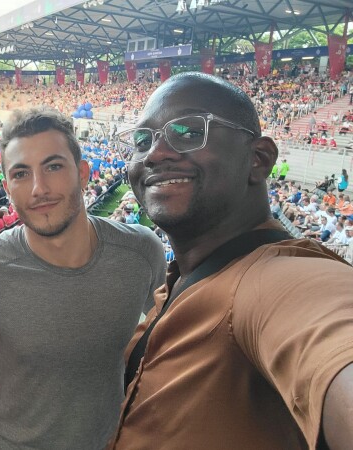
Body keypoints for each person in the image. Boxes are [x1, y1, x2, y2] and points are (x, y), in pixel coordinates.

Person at [109, 72, 353, 449]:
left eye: (189, 132)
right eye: (142, 140)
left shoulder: (276, 279)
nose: (154, 154)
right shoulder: (182, 278)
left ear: (258, 159)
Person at [0, 107, 166, 449]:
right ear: (7, 188)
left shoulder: (141, 253)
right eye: (21, 173)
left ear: (83, 173)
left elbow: (171, 343)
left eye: (53, 166)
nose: (39, 188)